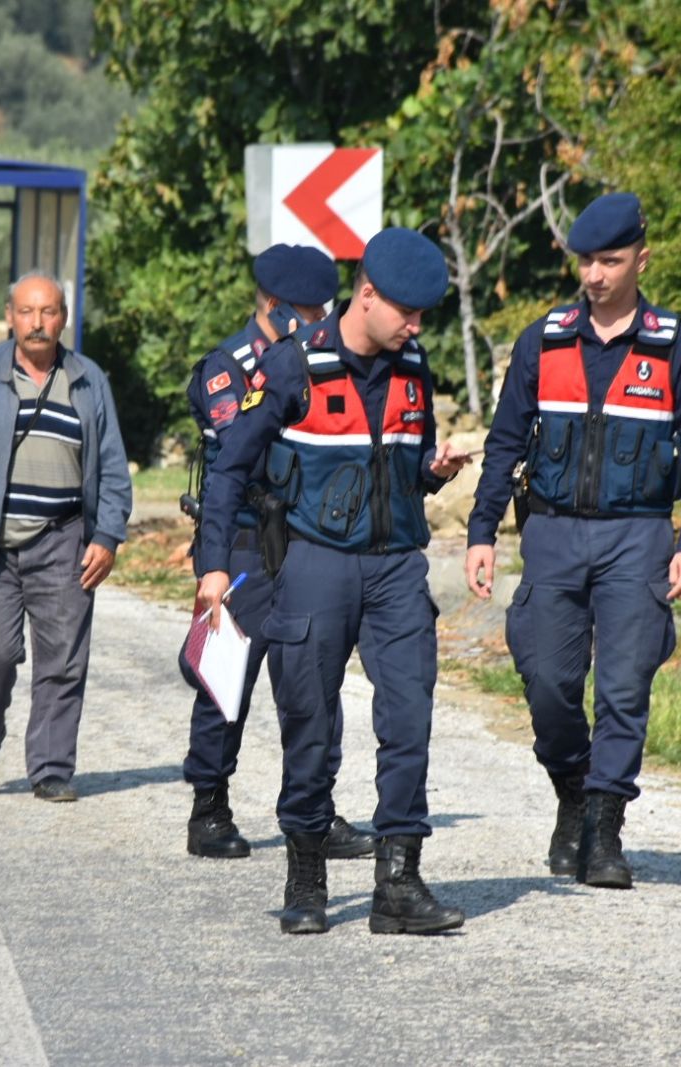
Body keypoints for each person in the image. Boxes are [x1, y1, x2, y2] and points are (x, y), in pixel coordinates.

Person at [195, 227, 474, 935]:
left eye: (423, 315)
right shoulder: (293, 366)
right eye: (406, 312)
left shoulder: (414, 367)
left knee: (408, 717)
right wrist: (215, 565)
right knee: (310, 723)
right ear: (367, 294)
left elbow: (405, 467)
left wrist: (434, 470)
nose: (416, 326)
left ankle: (398, 884)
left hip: (397, 566)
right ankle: (306, 877)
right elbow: (229, 468)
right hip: (314, 561)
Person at [463, 192, 681, 889]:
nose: (595, 275)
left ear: (641, 260)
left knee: (623, 685)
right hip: (551, 532)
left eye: (610, 261)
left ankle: (605, 829)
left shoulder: (676, 345)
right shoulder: (544, 340)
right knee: (548, 682)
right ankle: (573, 791)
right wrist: (482, 530)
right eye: (586, 262)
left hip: (638, 535)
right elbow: (504, 444)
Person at [180, 244, 373, 862]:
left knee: (315, 682)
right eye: (308, 312)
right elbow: (245, 449)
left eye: (324, 310)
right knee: (227, 678)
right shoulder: (228, 368)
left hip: (306, 542)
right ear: (272, 305)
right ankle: (209, 807)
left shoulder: (324, 361)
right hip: (241, 544)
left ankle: (316, 810)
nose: (319, 321)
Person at [0, 271, 133, 803]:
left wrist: (107, 536)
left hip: (63, 540)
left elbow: (112, 468)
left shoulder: (88, 381)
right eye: (27, 312)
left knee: (63, 661)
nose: (38, 323)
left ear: (63, 318)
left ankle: (51, 768)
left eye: (48, 312)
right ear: (10, 317)